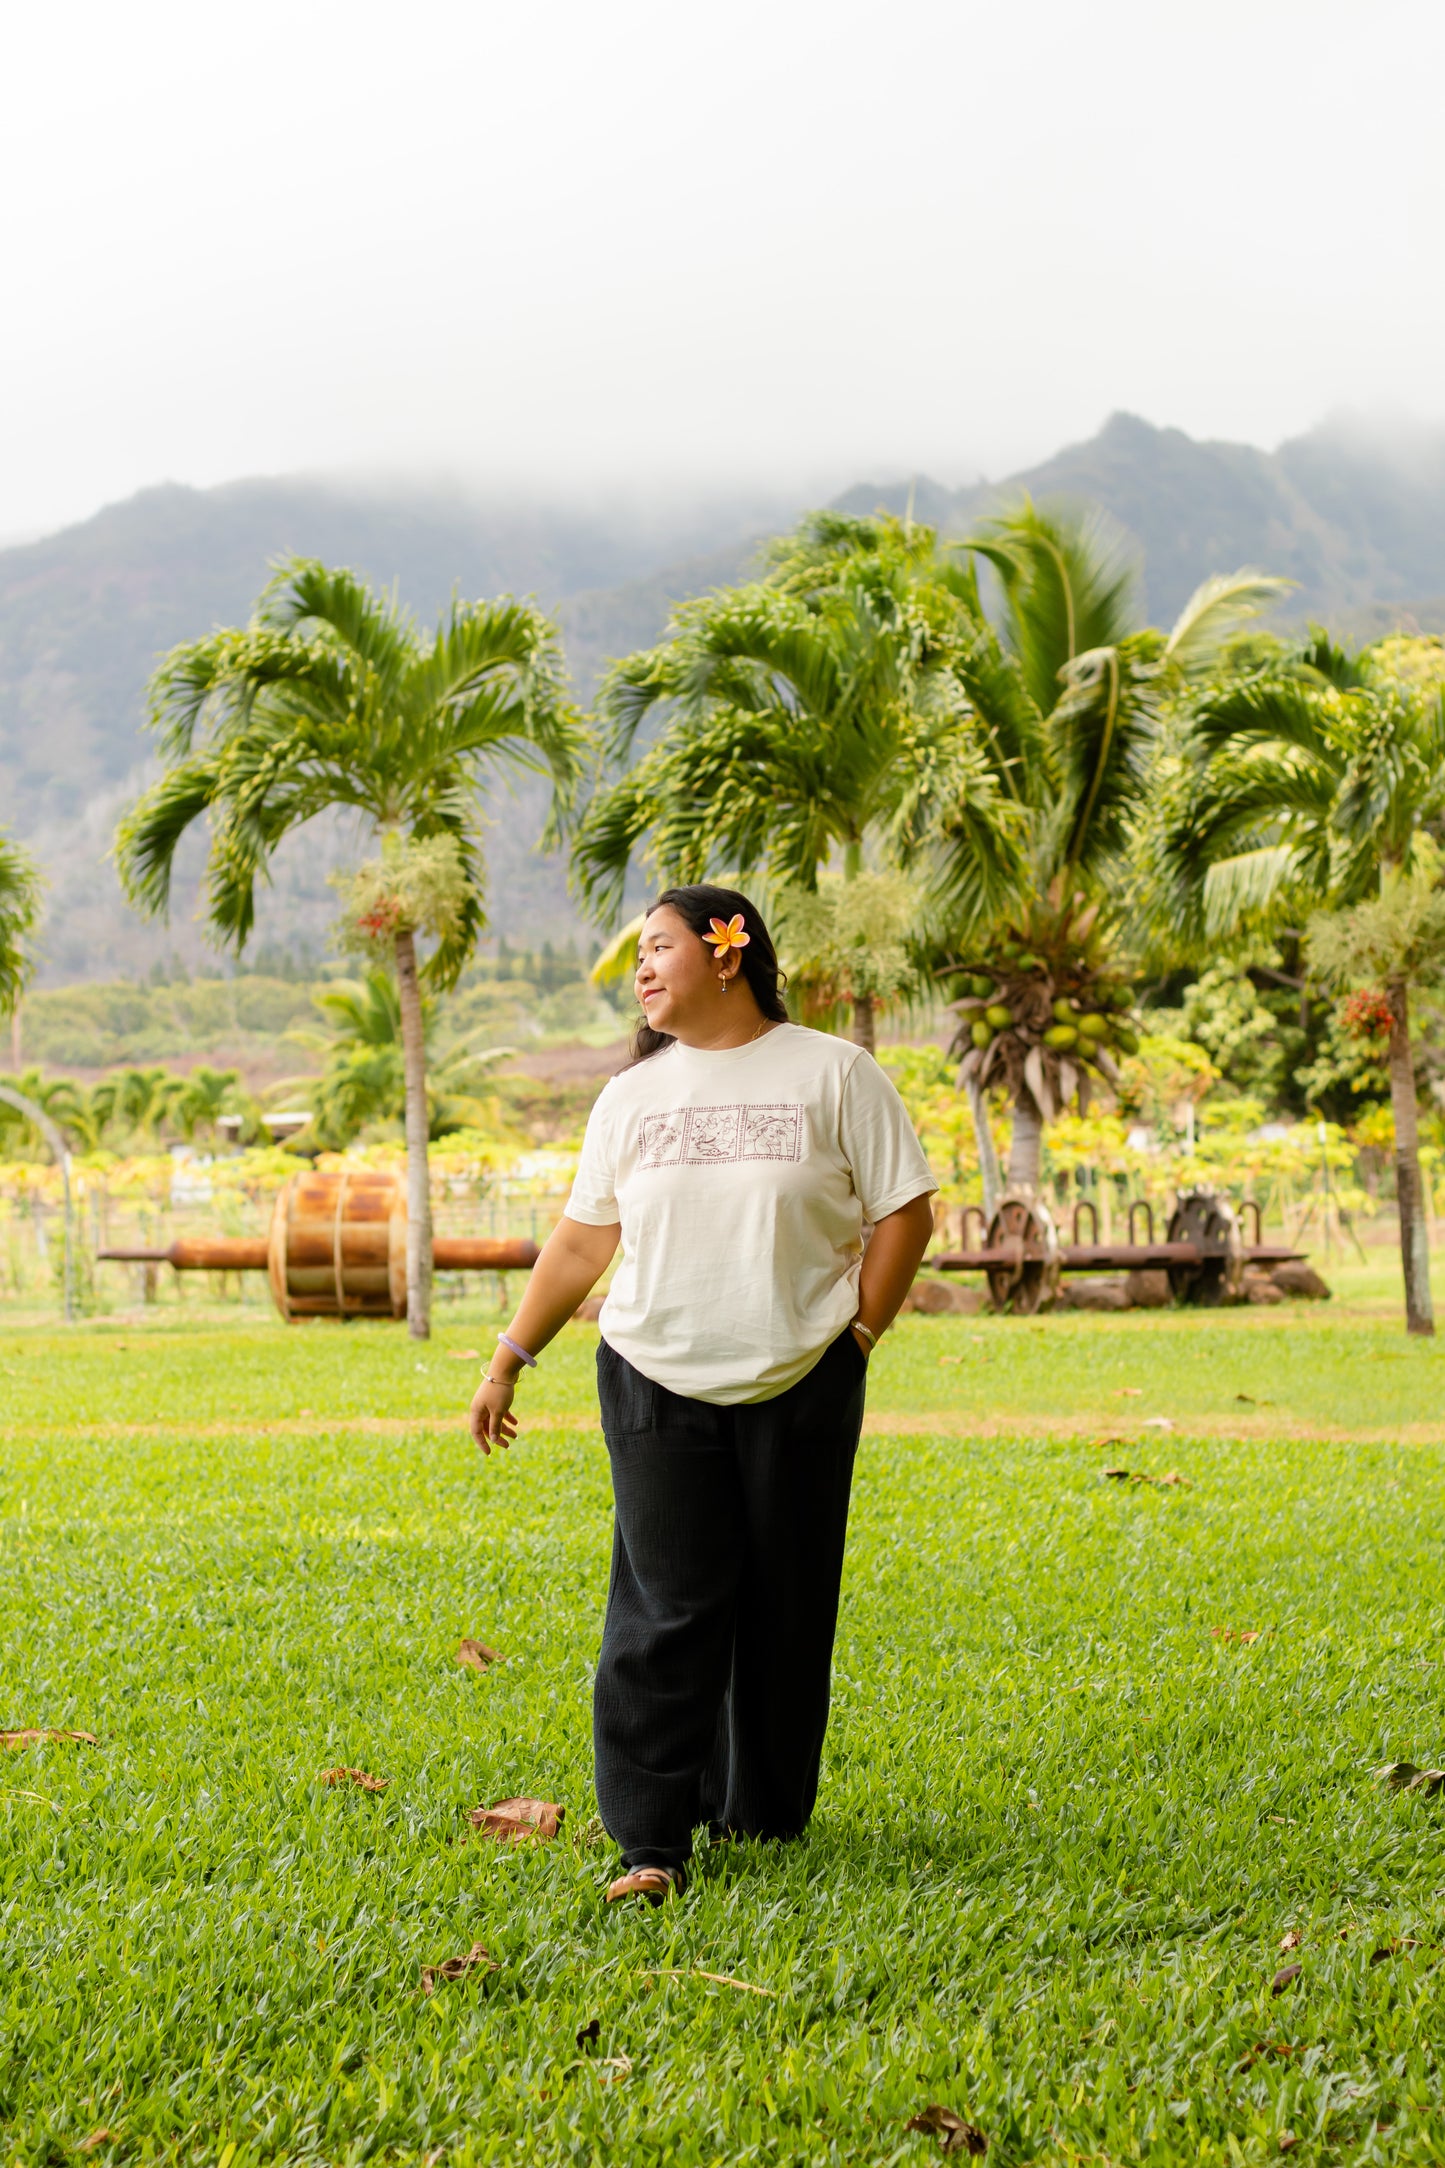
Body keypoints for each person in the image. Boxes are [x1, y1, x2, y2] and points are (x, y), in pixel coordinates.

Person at [467, 884, 936, 1902]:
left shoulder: (833, 1072)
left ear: (728, 952)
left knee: (783, 1598)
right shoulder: (630, 1096)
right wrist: (510, 1354)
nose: (639, 969)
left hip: (803, 1373)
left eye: (658, 946)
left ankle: (760, 1813)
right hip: (650, 1371)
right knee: (665, 1604)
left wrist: (858, 1331)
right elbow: (584, 1239)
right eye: (638, 952)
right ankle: (649, 1838)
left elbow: (904, 1208)